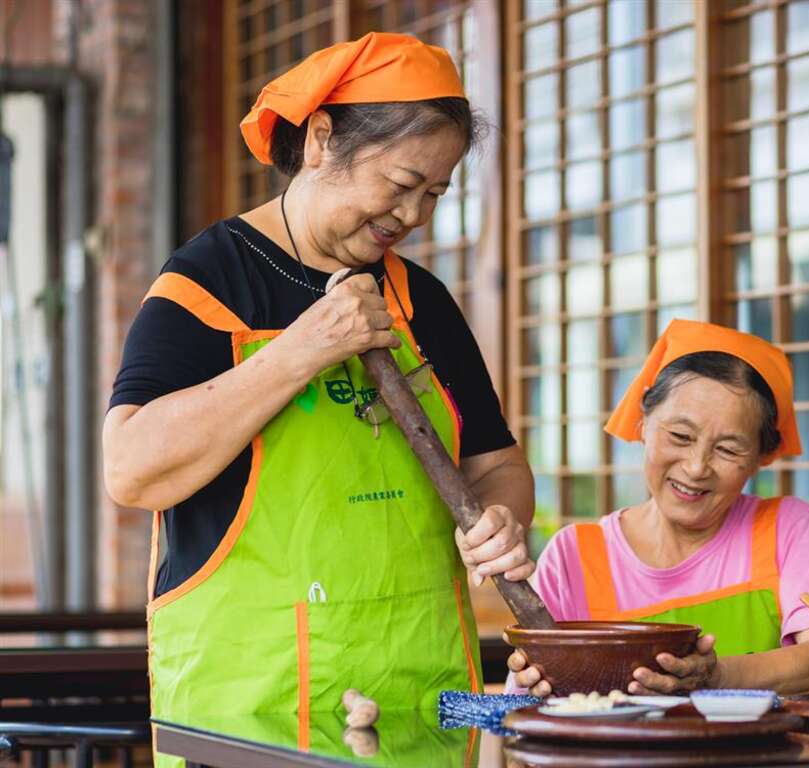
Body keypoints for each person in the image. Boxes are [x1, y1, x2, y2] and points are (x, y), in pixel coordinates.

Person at [102, 33, 534, 742]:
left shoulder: (421, 301)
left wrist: (501, 519)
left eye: (434, 193)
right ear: (321, 140)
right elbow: (130, 469)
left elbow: (497, 464)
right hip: (249, 710)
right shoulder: (207, 283)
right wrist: (303, 350)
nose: (413, 215)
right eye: (401, 183)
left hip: (415, 702)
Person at [509, 319, 809, 696]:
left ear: (762, 456)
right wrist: (534, 690)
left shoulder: (787, 529)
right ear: (643, 421)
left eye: (727, 449)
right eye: (680, 436)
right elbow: (521, 704)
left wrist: (717, 677)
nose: (696, 468)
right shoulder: (575, 555)